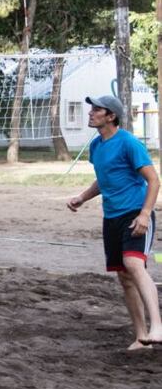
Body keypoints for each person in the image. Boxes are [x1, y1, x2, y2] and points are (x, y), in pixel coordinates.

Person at [68, 95, 162, 351]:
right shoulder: (97, 146)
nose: (90, 113)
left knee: (134, 264)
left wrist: (144, 214)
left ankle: (158, 326)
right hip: (111, 217)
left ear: (111, 116)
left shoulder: (129, 143)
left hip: (135, 211)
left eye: (96, 109)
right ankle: (142, 337)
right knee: (124, 276)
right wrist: (82, 197)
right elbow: (104, 179)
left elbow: (153, 180)